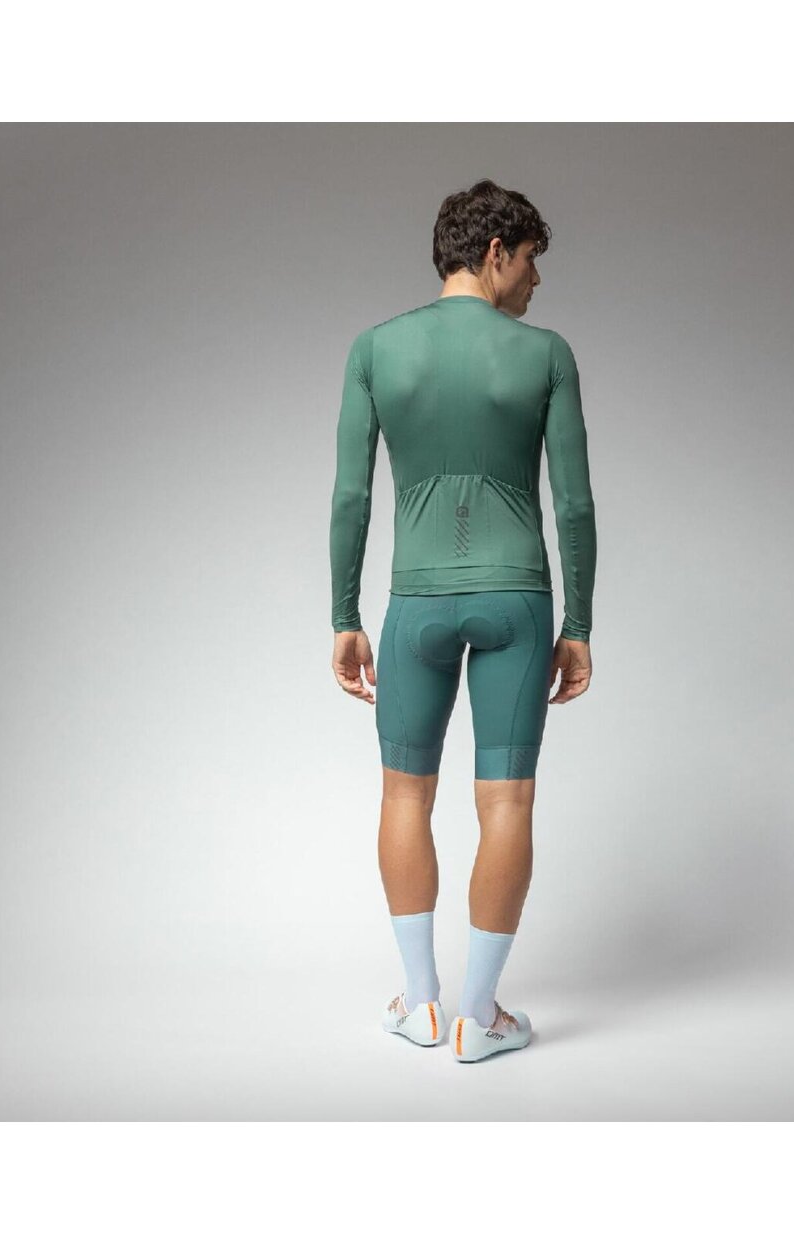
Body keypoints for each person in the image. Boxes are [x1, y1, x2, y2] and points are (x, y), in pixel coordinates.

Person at [329, 179, 597, 1063]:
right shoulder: (546, 354)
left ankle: (420, 1003)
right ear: (493, 253)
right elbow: (575, 505)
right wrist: (580, 624)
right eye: (530, 264)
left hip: (415, 601)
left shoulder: (375, 349)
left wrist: (344, 614)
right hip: (517, 598)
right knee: (506, 800)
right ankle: (479, 1020)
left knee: (405, 795)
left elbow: (352, 496)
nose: (535, 283)